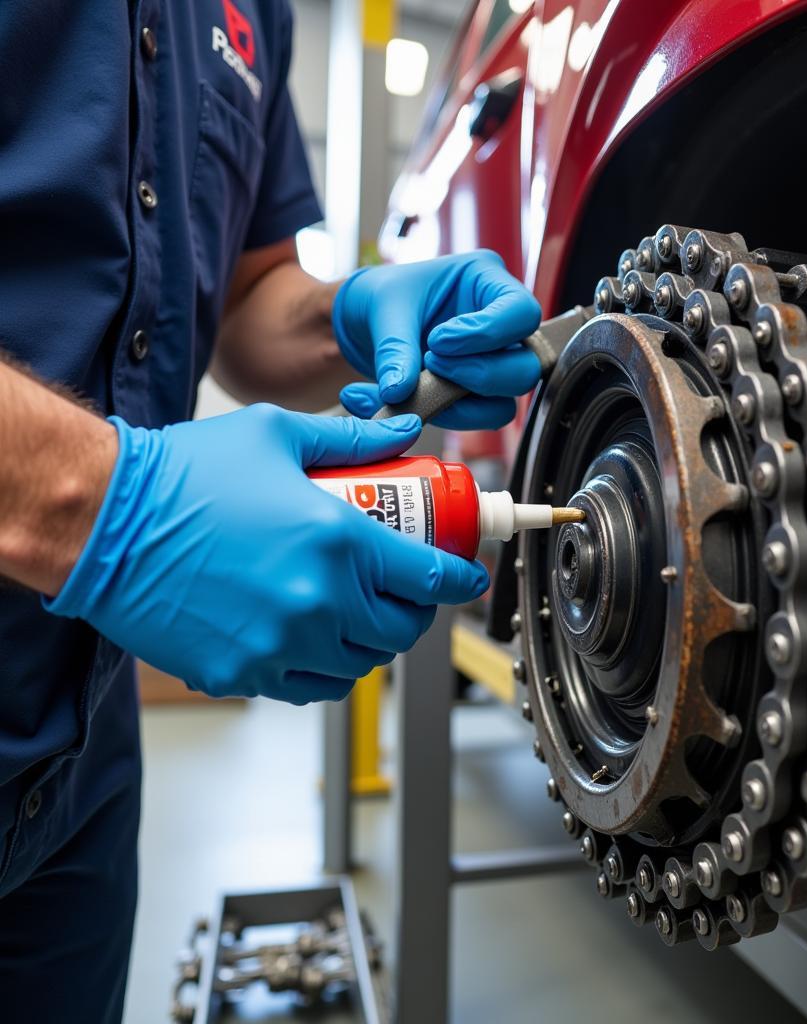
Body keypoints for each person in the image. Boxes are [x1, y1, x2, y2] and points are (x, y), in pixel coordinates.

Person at [0, 2, 542, 1019]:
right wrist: (104, 511)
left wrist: (352, 318)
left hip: (82, 751)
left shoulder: (251, 14)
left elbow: (250, 297)